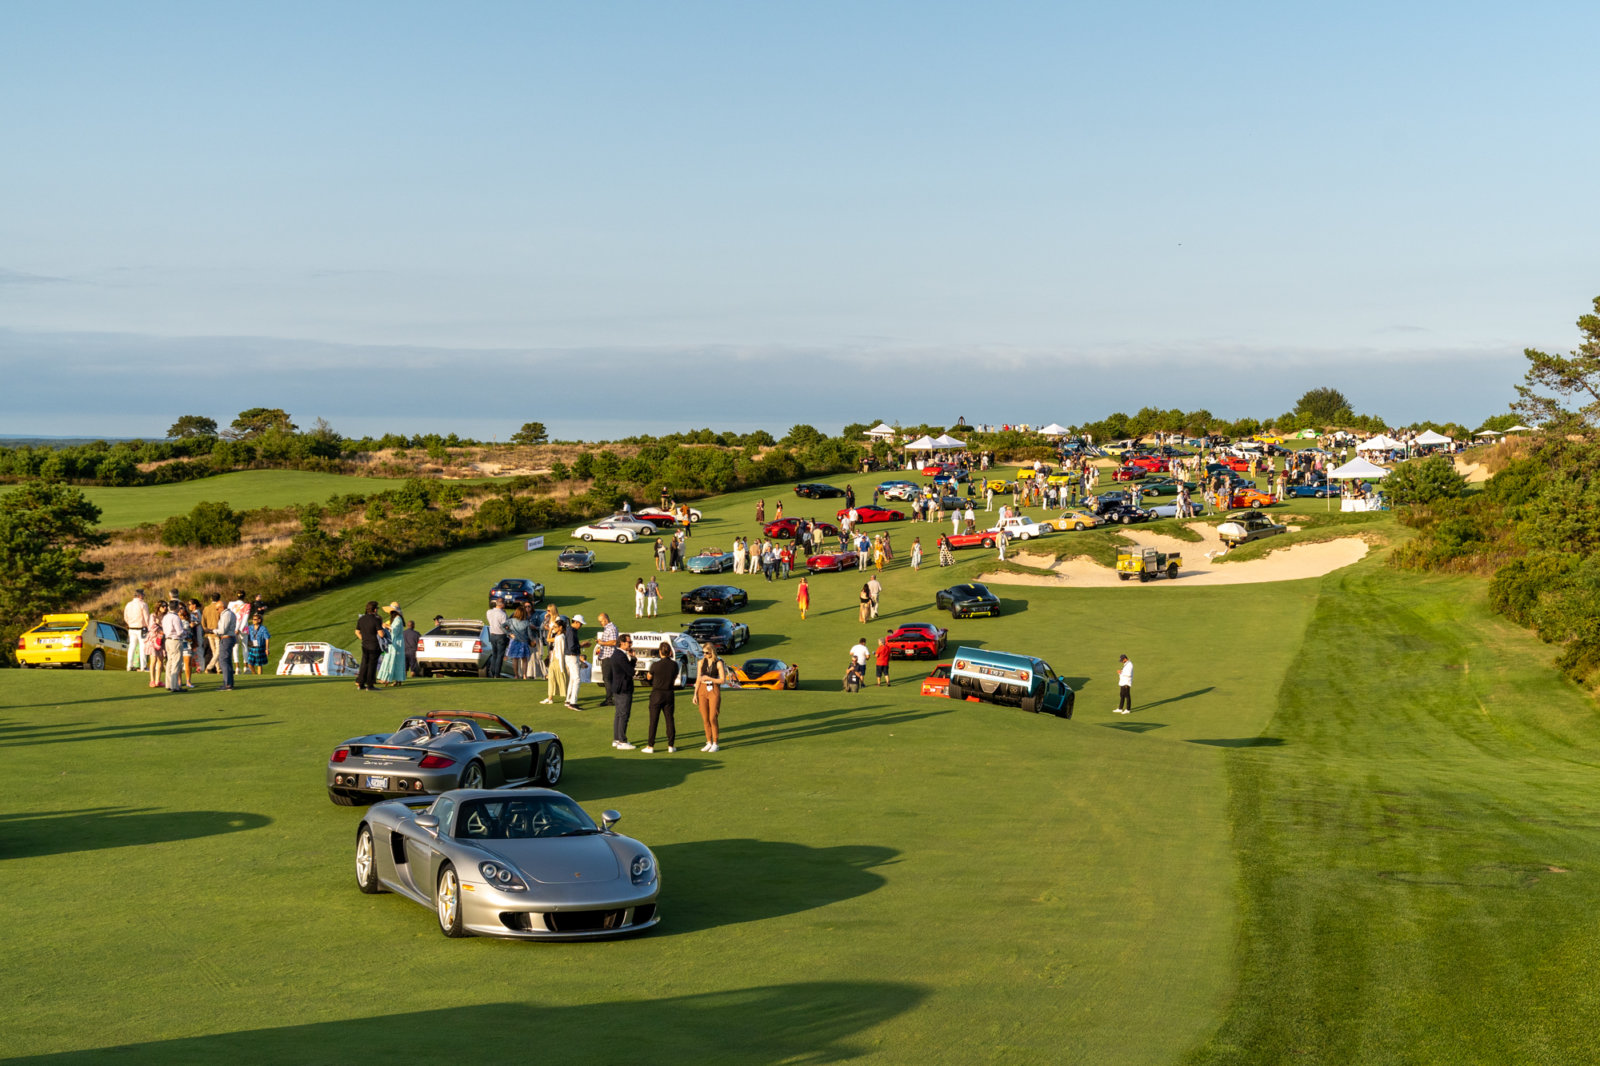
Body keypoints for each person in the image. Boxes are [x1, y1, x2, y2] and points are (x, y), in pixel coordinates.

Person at [643, 640, 679, 753]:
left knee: (653, 720)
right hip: (669, 693)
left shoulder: (655, 665)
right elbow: (675, 675)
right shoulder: (674, 665)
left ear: (660, 652)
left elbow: (649, 677)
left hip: (657, 693)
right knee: (669, 719)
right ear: (669, 652)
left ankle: (650, 746)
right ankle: (671, 745)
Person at [694, 644, 730, 752]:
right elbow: (698, 679)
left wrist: (709, 678)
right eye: (703, 652)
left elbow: (722, 680)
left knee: (713, 717)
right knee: (705, 718)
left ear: (712, 652)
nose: (704, 655)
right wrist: (695, 694)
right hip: (702, 690)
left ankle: (715, 743)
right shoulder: (701, 662)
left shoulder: (718, 663)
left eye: (707, 653)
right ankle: (708, 741)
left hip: (713, 689)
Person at [607, 635, 637, 749]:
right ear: (622, 643)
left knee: (619, 714)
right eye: (629, 642)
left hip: (618, 687)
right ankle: (622, 741)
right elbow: (630, 672)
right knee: (624, 714)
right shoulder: (620, 656)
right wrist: (633, 659)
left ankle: (616, 739)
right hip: (623, 688)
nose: (631, 644)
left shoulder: (618, 654)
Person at [354, 601, 382, 691]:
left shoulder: (361, 619)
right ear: (374, 609)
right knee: (372, 665)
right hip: (374, 645)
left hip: (365, 644)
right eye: (377, 608)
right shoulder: (376, 619)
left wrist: (363, 638)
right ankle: (370, 685)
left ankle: (360, 683)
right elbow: (381, 634)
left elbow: (357, 632)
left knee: (364, 664)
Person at [161, 600, 187, 693]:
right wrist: (185, 632)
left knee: (170, 662)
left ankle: (168, 684)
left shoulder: (165, 617)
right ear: (176, 608)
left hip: (168, 640)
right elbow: (179, 632)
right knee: (176, 663)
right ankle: (174, 686)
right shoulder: (175, 618)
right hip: (175, 640)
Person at [542, 614, 568, 704]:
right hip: (554, 660)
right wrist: (550, 629)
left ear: (560, 627)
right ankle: (550, 697)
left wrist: (562, 665)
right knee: (552, 678)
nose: (554, 628)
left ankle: (567, 697)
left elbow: (561, 651)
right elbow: (548, 639)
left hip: (558, 660)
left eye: (556, 627)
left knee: (561, 678)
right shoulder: (558, 636)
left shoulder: (561, 637)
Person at [378, 603, 406, 686]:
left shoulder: (398, 619)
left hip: (396, 643)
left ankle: (386, 678)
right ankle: (397, 680)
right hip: (397, 642)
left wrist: (386, 626)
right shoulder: (398, 619)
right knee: (397, 661)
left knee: (391, 659)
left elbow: (395, 630)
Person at [563, 614, 586, 711]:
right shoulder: (572, 632)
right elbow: (572, 647)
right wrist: (581, 645)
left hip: (569, 656)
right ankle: (573, 703)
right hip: (572, 657)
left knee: (573, 679)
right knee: (577, 679)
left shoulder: (570, 630)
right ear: (575, 622)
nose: (581, 626)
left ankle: (569, 700)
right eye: (580, 624)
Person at [484, 596, 509, 680]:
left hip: (492, 634)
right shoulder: (503, 614)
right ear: (502, 604)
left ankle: (492, 672)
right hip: (501, 635)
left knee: (494, 654)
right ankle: (496, 674)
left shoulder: (489, 612)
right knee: (500, 656)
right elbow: (505, 626)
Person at [596, 612, 620, 699]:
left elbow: (614, 642)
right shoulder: (608, 628)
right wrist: (601, 645)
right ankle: (610, 697)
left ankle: (609, 698)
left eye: (601, 621)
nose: (600, 623)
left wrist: (602, 643)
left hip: (609, 656)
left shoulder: (611, 628)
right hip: (606, 655)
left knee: (607, 679)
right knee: (607, 678)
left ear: (605, 620)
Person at [123, 590, 148, 672]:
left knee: (131, 647)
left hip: (131, 628)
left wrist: (130, 623)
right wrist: (148, 627)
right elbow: (146, 618)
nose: (144, 596)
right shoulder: (143, 604)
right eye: (143, 594)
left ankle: (129, 666)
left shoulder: (128, 604)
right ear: (140, 595)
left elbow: (125, 617)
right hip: (141, 628)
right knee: (142, 647)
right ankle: (143, 666)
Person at [506, 606, 532, 679]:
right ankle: (524, 675)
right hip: (523, 641)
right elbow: (529, 634)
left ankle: (516, 675)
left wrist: (509, 633)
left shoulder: (511, 621)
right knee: (524, 659)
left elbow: (502, 626)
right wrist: (533, 640)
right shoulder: (526, 622)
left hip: (514, 641)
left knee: (515, 659)